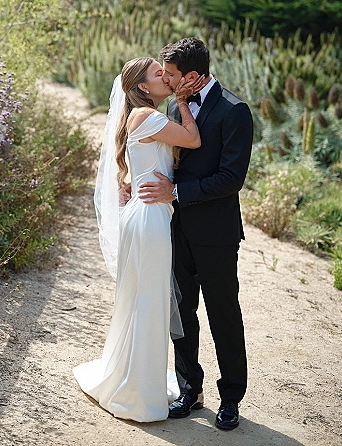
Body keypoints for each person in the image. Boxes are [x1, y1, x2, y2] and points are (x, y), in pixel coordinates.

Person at [73, 56, 204, 422]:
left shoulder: (142, 117)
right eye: (158, 73)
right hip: (150, 219)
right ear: (143, 87)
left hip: (146, 215)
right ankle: (138, 394)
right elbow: (192, 139)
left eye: (167, 72)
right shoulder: (147, 117)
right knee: (149, 302)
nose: (166, 76)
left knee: (143, 299)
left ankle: (135, 380)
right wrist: (181, 100)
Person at [138, 37, 253, 431]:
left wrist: (177, 192)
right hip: (176, 229)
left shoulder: (236, 111)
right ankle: (190, 389)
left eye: (170, 75)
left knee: (224, 314)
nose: (166, 82)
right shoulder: (175, 104)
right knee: (182, 313)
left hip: (217, 233)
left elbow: (230, 179)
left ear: (192, 75)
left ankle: (231, 397)